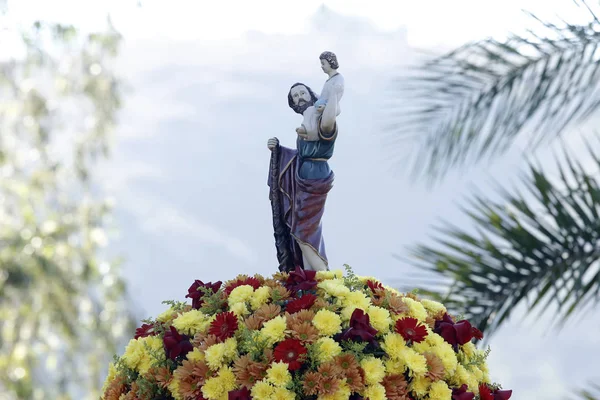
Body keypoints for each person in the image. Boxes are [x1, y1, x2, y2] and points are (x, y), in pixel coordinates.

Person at [267, 81, 339, 271]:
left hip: (315, 178)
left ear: (311, 95)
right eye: (295, 96)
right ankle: (310, 276)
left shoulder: (319, 117)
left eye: (302, 93)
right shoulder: (308, 117)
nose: (299, 98)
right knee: (300, 230)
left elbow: (329, 126)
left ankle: (323, 278)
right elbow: (301, 154)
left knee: (304, 230)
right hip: (303, 177)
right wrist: (278, 150)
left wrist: (333, 96)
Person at [297, 51, 344, 141]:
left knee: (313, 113)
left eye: (323, 63)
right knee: (309, 111)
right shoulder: (329, 80)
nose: (321, 66)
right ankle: (306, 129)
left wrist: (326, 107)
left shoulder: (339, 78)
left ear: (331, 63)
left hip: (332, 106)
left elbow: (336, 95)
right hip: (323, 104)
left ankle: (311, 133)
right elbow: (323, 96)